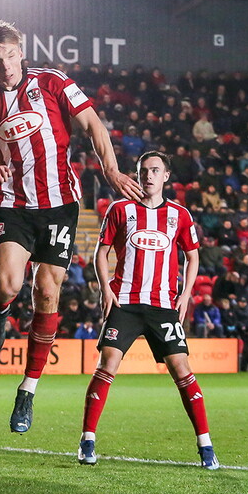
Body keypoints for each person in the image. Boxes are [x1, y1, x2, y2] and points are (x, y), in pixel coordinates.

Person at [0, 20, 141, 432]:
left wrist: (112, 172)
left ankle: (27, 390)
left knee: (47, 290)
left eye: (10, 56)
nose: (5, 66)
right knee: (7, 286)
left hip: (61, 204)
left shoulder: (54, 82)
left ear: (20, 52)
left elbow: (94, 125)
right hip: (13, 203)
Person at [78, 151, 219, 470]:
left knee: (182, 369)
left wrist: (185, 295)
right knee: (107, 364)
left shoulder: (180, 215)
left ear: (166, 176)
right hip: (125, 303)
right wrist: (105, 288)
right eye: (143, 171)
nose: (148, 176)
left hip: (163, 306)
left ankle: (205, 445)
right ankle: (87, 440)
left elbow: (193, 256)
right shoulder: (119, 208)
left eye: (155, 170)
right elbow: (100, 254)